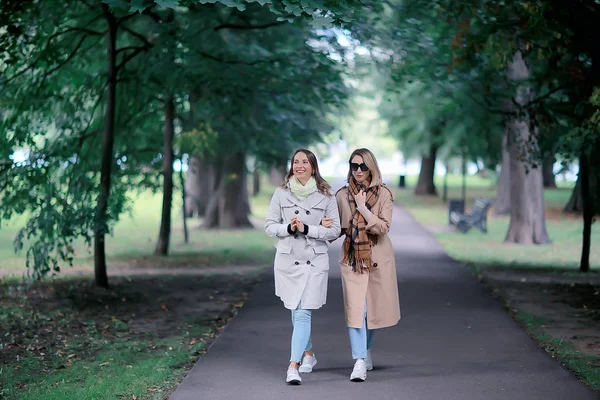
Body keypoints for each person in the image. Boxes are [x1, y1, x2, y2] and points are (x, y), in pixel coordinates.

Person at [264, 148, 341, 385]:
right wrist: (289, 228)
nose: (300, 165)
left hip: (314, 261)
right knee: (295, 309)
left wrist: (308, 228)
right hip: (288, 260)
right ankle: (309, 354)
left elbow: (335, 230)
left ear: (313, 166)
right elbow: (269, 225)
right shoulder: (281, 193)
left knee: (303, 312)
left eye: (304, 162)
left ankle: (293, 366)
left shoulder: (326, 195)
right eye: (296, 161)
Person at [335, 148, 401, 382]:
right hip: (352, 258)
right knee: (356, 311)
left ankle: (365, 350)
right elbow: (339, 227)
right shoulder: (342, 195)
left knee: (373, 311)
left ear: (371, 167)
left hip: (378, 259)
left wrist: (363, 209)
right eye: (354, 166)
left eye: (363, 166)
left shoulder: (384, 194)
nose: (359, 171)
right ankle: (359, 361)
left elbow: (383, 227)